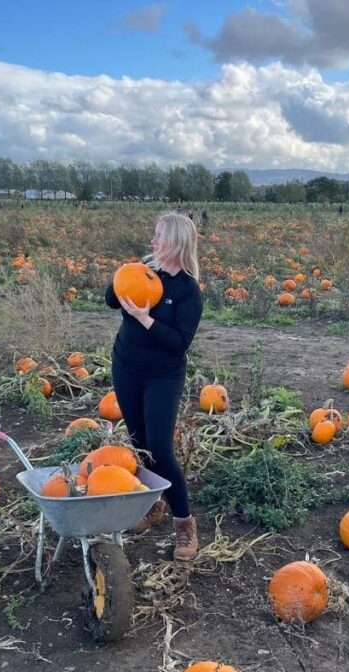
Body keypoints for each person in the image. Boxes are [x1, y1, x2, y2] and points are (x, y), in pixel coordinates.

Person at [105, 213, 203, 561]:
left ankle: (184, 524)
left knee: (160, 448)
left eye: (159, 236)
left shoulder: (188, 290)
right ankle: (153, 505)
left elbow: (179, 343)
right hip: (126, 366)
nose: (153, 241)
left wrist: (145, 318)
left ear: (176, 243)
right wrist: (122, 278)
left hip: (163, 375)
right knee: (139, 445)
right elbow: (110, 301)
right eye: (154, 234)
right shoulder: (145, 274)